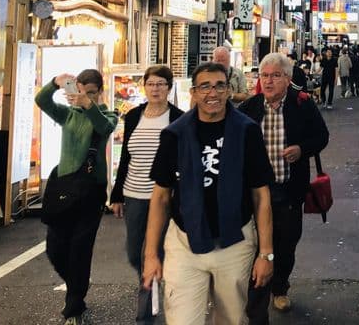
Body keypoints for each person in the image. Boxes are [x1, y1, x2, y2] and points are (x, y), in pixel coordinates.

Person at [142, 62, 275, 325]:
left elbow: (261, 195)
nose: (212, 93)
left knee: (231, 319)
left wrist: (266, 254)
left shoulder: (246, 131)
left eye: (219, 86)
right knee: (182, 320)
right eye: (205, 87)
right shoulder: (175, 134)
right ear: (193, 92)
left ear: (228, 91)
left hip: (234, 242)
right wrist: (151, 255)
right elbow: (160, 197)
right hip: (184, 242)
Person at [240, 52, 329, 320]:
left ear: (287, 79)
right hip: (256, 193)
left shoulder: (301, 105)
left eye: (275, 76)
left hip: (288, 189)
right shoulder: (249, 108)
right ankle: (257, 302)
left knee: (286, 243)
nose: (268, 81)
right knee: (257, 246)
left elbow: (322, 136)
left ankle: (279, 286)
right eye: (264, 76)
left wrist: (301, 149)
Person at [35, 69, 118, 325]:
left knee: (80, 248)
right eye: (81, 91)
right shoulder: (68, 114)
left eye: (91, 92)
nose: (85, 96)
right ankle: (77, 284)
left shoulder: (107, 115)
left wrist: (88, 104)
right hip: (64, 188)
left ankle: (74, 306)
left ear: (100, 91)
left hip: (91, 191)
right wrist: (55, 82)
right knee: (55, 248)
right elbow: (42, 101)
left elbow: (104, 127)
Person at [110, 66, 184, 325]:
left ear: (169, 88)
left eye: (161, 84)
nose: (155, 89)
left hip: (163, 198)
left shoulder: (178, 118)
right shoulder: (133, 116)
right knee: (134, 253)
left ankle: (145, 315)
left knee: (150, 255)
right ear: (144, 86)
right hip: (133, 194)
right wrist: (117, 194)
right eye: (151, 84)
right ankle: (152, 281)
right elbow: (126, 157)